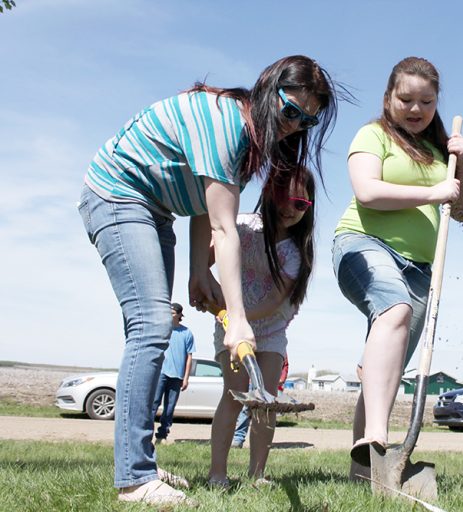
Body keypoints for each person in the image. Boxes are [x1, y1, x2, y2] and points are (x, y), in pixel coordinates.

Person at [78, 55, 340, 505]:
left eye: (308, 121)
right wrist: (237, 318)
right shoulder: (228, 127)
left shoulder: (247, 146)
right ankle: (134, 477)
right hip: (119, 196)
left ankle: (137, 461)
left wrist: (200, 271)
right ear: (266, 89)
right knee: (152, 325)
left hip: (156, 210)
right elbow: (223, 228)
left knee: (150, 329)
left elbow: (202, 208)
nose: (295, 126)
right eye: (290, 111)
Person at [332, 56, 463, 467]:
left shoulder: (438, 151)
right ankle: (379, 438)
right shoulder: (373, 134)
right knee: (394, 309)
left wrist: (461, 161)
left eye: (426, 102)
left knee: (387, 365)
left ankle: (366, 471)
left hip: (420, 268)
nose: (416, 109)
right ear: (388, 98)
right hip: (363, 244)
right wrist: (434, 193)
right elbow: (368, 192)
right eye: (406, 99)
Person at [207, 171, 315, 487]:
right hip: (230, 328)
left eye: (299, 203)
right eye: (283, 196)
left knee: (265, 403)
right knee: (233, 395)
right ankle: (218, 473)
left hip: (270, 329)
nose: (289, 208)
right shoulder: (241, 227)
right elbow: (206, 262)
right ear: (268, 192)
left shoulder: (295, 253)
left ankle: (258, 474)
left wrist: (243, 317)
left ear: (308, 208)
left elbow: (272, 302)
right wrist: (215, 299)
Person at [151, 303, 196, 443]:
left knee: (169, 408)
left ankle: (162, 435)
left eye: (172, 312)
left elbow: (189, 357)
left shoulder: (187, 333)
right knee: (153, 404)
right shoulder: (162, 329)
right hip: (161, 373)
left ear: (179, 314)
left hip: (177, 376)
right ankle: (145, 435)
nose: (169, 314)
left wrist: (186, 378)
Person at [231, 355, 290, 448]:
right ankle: (238, 439)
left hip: (268, 383)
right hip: (251, 381)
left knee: (265, 412)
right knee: (245, 410)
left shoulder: (277, 343)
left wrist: (282, 378)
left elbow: (285, 363)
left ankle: (262, 441)